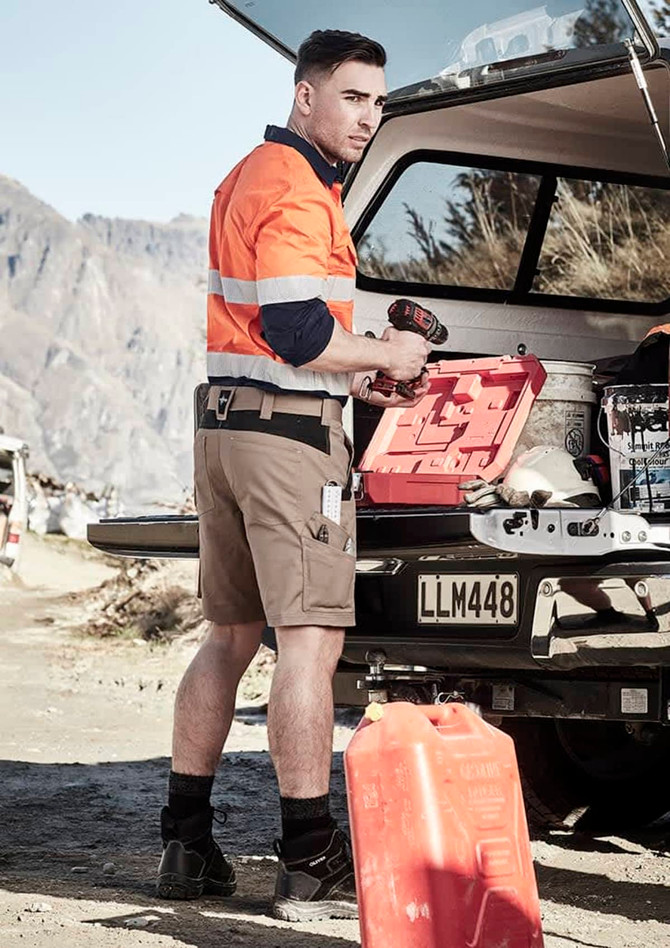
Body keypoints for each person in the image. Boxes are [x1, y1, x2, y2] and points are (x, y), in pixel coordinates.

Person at [156, 29, 431, 922]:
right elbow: (299, 332)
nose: (369, 116)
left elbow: (272, 331)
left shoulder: (244, 177)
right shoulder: (296, 187)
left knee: (229, 636)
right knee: (309, 643)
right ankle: (310, 852)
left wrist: (363, 372)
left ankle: (185, 842)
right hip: (286, 445)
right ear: (305, 95)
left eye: (378, 101)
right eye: (353, 98)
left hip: (226, 429)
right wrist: (387, 349)